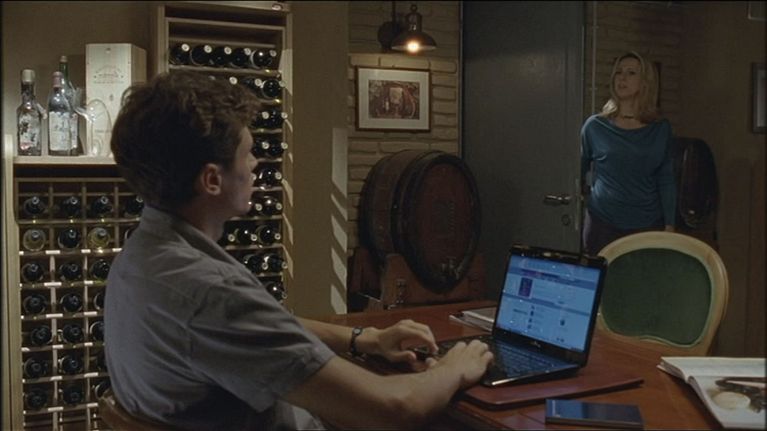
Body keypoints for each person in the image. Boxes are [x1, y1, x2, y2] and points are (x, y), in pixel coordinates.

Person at [105, 70, 493, 430]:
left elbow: (259, 329)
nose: (255, 164)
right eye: (247, 152)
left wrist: (363, 338)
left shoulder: (142, 255)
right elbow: (394, 408)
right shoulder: (210, 292)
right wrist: (454, 368)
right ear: (211, 180)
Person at [580, 51, 677, 255]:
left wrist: (670, 224)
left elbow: (666, 177)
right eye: (618, 72)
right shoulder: (595, 126)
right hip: (602, 223)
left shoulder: (660, 129)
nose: (622, 78)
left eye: (631, 73)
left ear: (645, 82)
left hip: (646, 223)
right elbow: (577, 171)